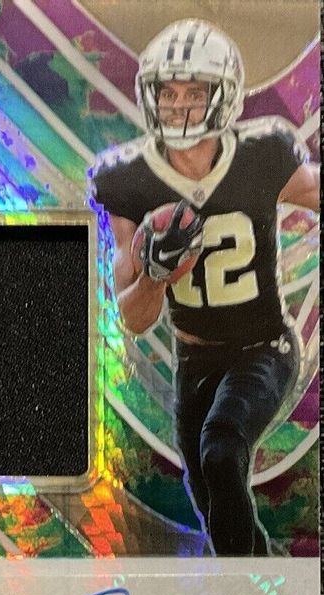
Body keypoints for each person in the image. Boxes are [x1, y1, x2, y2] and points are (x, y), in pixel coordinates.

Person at [91, 19, 319, 555]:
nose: (179, 107)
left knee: (221, 449)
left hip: (264, 346)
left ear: (225, 95)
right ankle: (262, 574)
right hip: (193, 359)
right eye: (168, 93)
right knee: (207, 490)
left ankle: (245, 585)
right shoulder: (127, 178)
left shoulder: (262, 153)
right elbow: (134, 318)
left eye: (195, 92)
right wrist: (155, 273)